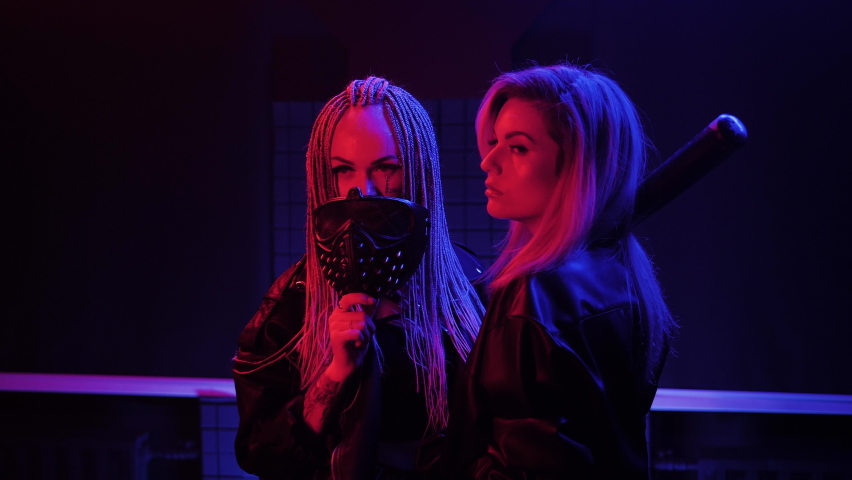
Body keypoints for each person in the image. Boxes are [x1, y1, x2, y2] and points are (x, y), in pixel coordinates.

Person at [428, 64, 677, 479]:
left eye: (518, 148)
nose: (488, 162)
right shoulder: (627, 281)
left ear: (576, 166)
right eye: (494, 142)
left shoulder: (536, 296)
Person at [233, 77, 484, 480]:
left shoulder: (470, 290)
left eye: (386, 168)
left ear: (418, 171)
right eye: (343, 169)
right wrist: (336, 372)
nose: (360, 191)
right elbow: (259, 451)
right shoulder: (294, 303)